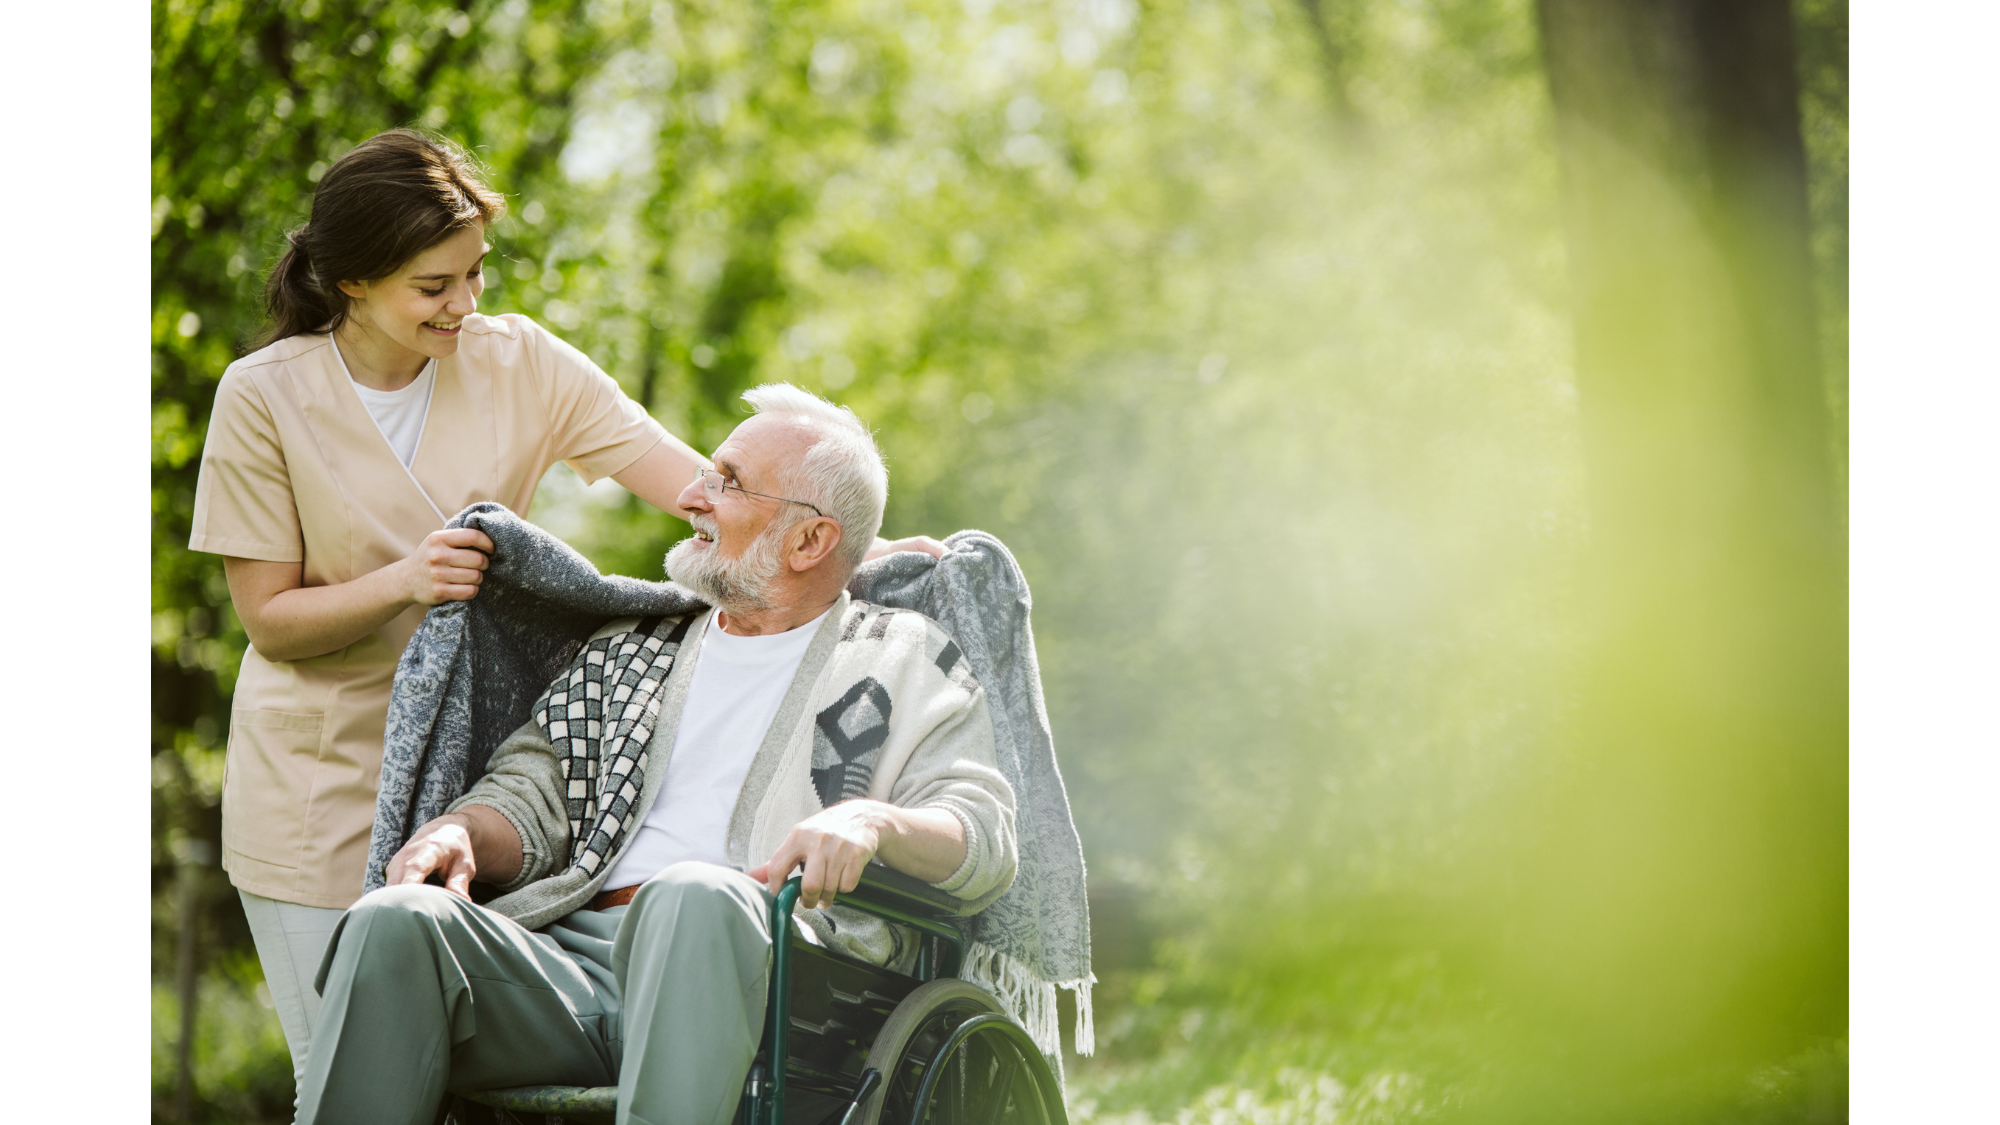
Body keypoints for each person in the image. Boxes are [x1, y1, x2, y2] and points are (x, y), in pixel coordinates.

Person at [187, 130, 944, 1080]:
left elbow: (700, 487)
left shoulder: (521, 363)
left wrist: (854, 541)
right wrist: (406, 582)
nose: (464, 305)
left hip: (478, 771)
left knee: (448, 1082)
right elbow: (269, 618)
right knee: (338, 1076)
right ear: (351, 282)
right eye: (434, 287)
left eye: (474, 276)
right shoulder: (262, 396)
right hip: (320, 779)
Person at [294, 384, 1016, 1125]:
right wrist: (463, 829)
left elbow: (985, 832)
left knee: (695, 893)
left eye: (726, 482)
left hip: (782, 973)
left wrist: (873, 821)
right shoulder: (635, 649)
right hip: (573, 965)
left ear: (810, 541)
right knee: (397, 920)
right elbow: (531, 791)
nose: (693, 495)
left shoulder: (904, 659)